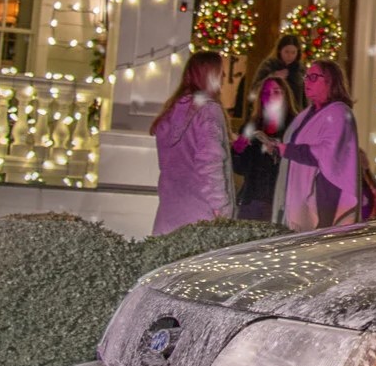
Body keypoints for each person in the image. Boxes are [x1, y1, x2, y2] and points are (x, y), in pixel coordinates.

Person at [271, 58, 364, 231]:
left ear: (331, 81)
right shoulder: (307, 114)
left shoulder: (339, 112)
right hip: (300, 191)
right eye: (306, 77)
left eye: (314, 77)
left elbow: (327, 153)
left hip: (326, 195)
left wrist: (289, 150)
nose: (307, 81)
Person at [151, 51, 236, 234]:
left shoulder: (171, 112)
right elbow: (210, 163)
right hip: (201, 215)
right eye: (219, 72)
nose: (223, 77)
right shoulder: (208, 111)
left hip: (170, 211)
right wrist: (221, 208)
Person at [231, 66, 297, 221]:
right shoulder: (252, 125)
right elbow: (241, 168)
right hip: (252, 198)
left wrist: (277, 151)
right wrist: (237, 151)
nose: (271, 97)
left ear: (285, 96)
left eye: (276, 92)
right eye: (266, 93)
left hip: (281, 200)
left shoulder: (294, 126)